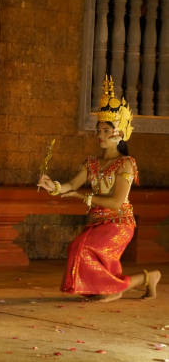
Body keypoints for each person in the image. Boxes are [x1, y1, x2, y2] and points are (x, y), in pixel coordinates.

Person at [37, 75, 161, 302]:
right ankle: (145, 278)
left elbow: (115, 202)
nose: (100, 135)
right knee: (79, 249)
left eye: (106, 130)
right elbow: (70, 186)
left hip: (119, 222)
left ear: (120, 134)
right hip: (96, 222)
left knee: (82, 247)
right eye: (98, 130)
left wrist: (82, 196)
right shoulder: (91, 163)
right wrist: (52, 186)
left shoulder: (126, 163)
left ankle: (114, 289)